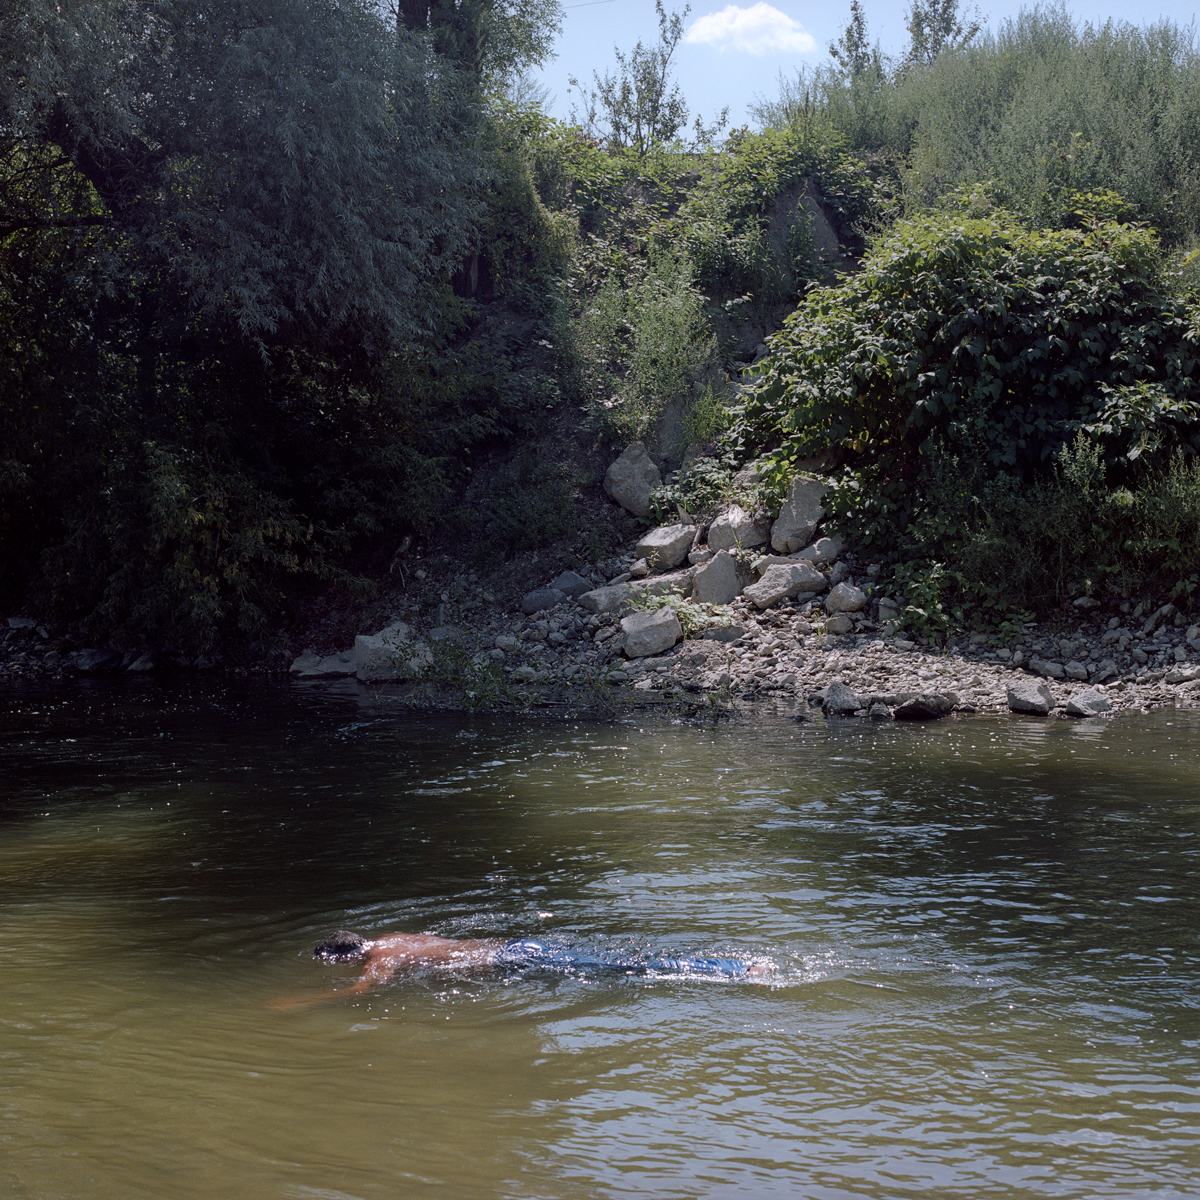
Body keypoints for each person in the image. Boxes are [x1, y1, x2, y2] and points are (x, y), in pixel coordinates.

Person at [292, 929, 768, 1004]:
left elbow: (361, 992)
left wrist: (301, 1001)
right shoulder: (392, 937)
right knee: (618, 964)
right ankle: (732, 966)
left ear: (350, 955)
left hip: (514, 959)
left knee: (628, 969)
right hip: (519, 946)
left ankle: (736, 969)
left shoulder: (382, 957)